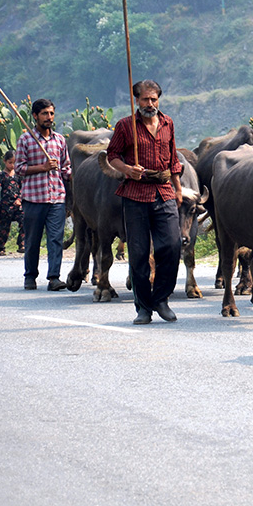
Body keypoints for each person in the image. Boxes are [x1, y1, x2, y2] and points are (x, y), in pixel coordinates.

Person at [106, 80, 183, 325]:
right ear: (136, 100)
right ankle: (143, 308)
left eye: (154, 99)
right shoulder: (125, 125)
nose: (150, 104)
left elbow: (173, 159)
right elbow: (112, 155)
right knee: (138, 253)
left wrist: (178, 188)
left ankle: (161, 299)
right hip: (136, 194)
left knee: (172, 245)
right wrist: (128, 169)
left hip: (164, 191)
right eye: (145, 99)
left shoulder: (168, 123)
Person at [15, 98, 71, 291]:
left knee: (55, 239)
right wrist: (43, 167)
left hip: (57, 198)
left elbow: (66, 168)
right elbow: (19, 168)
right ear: (35, 116)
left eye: (51, 113)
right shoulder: (26, 139)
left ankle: (54, 278)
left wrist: (78, 177)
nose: (49, 117)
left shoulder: (60, 140)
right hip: (33, 198)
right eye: (45, 113)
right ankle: (30, 276)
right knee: (32, 240)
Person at [0, 149, 25, 256]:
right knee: (4, 228)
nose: (12, 165)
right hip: (5, 206)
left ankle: (22, 244)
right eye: (10, 163)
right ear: (4, 161)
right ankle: (0, 248)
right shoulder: (2, 175)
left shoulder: (18, 175)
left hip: (17, 205)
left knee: (25, 221)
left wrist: (20, 199)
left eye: (15, 163)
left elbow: (23, 188)